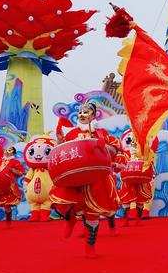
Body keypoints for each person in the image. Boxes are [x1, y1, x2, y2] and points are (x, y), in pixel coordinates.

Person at [50, 101, 121, 258]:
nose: (82, 114)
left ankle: (90, 246)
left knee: (93, 213)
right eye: (80, 112)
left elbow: (114, 149)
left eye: (86, 111)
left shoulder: (101, 132)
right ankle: (70, 220)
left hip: (96, 177)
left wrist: (103, 146)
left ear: (94, 115)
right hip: (74, 176)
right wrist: (60, 141)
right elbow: (62, 151)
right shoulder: (72, 133)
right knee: (60, 202)